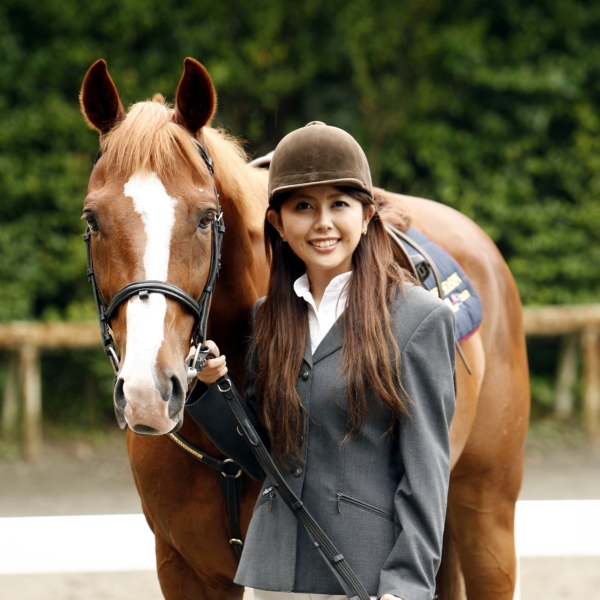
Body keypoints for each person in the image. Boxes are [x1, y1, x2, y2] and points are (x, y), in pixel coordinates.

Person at [186, 121, 456, 600]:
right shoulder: (267, 318)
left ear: (368, 213)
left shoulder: (420, 320)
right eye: (303, 207)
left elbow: (426, 474)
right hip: (274, 578)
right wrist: (212, 386)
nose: (323, 223)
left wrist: (407, 584)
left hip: (367, 579)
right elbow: (262, 458)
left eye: (339, 204)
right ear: (277, 223)